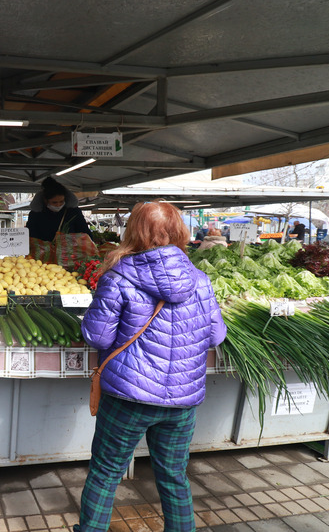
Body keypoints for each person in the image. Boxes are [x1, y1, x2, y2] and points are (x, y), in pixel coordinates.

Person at [75, 201, 227, 532]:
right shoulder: (199, 279)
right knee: (173, 476)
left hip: (128, 396)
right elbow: (216, 335)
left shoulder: (117, 275)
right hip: (182, 402)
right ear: (179, 231)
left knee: (106, 472)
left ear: (135, 231)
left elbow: (98, 337)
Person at [25, 176, 91, 242]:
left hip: (70, 251)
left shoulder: (73, 212)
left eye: (61, 201)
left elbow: (84, 232)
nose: (58, 205)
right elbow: (31, 236)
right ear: (45, 200)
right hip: (44, 251)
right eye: (54, 202)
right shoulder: (36, 214)